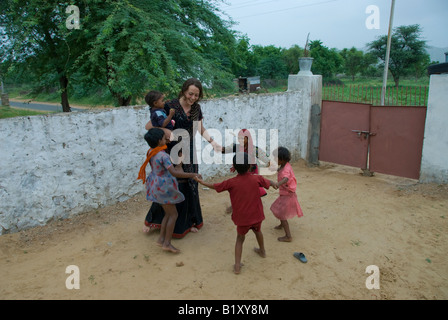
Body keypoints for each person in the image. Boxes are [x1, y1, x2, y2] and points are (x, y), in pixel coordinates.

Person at [144, 78, 221, 238]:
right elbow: (149, 126)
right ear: (184, 90)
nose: (193, 98)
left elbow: (199, 127)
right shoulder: (169, 105)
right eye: (190, 94)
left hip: (189, 150)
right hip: (171, 148)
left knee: (190, 183)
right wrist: (166, 133)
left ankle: (189, 221)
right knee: (169, 184)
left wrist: (212, 142)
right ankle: (157, 221)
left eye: (196, 95)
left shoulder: (196, 109)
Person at [195, 153, 277, 274]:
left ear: (234, 166)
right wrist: (273, 183)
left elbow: (215, 186)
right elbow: (268, 182)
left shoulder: (231, 182)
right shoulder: (256, 178)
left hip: (242, 219)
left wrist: (201, 182)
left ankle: (237, 266)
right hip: (257, 215)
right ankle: (262, 251)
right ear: (250, 165)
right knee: (258, 231)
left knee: (240, 239)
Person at [138, 128, 201, 253]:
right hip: (164, 188)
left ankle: (161, 239)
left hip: (155, 185)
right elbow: (174, 173)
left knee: (168, 213)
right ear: (159, 140)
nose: (166, 138)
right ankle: (167, 243)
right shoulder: (164, 156)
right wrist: (193, 174)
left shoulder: (151, 152)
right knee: (173, 214)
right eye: (163, 137)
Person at [270, 147, 304, 242]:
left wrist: (277, 184)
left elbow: (286, 178)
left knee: (282, 214)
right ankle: (282, 224)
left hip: (288, 195)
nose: (274, 160)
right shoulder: (285, 165)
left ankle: (288, 236)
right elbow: (281, 171)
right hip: (285, 193)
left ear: (282, 159)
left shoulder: (285, 170)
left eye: (276, 158)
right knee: (280, 210)